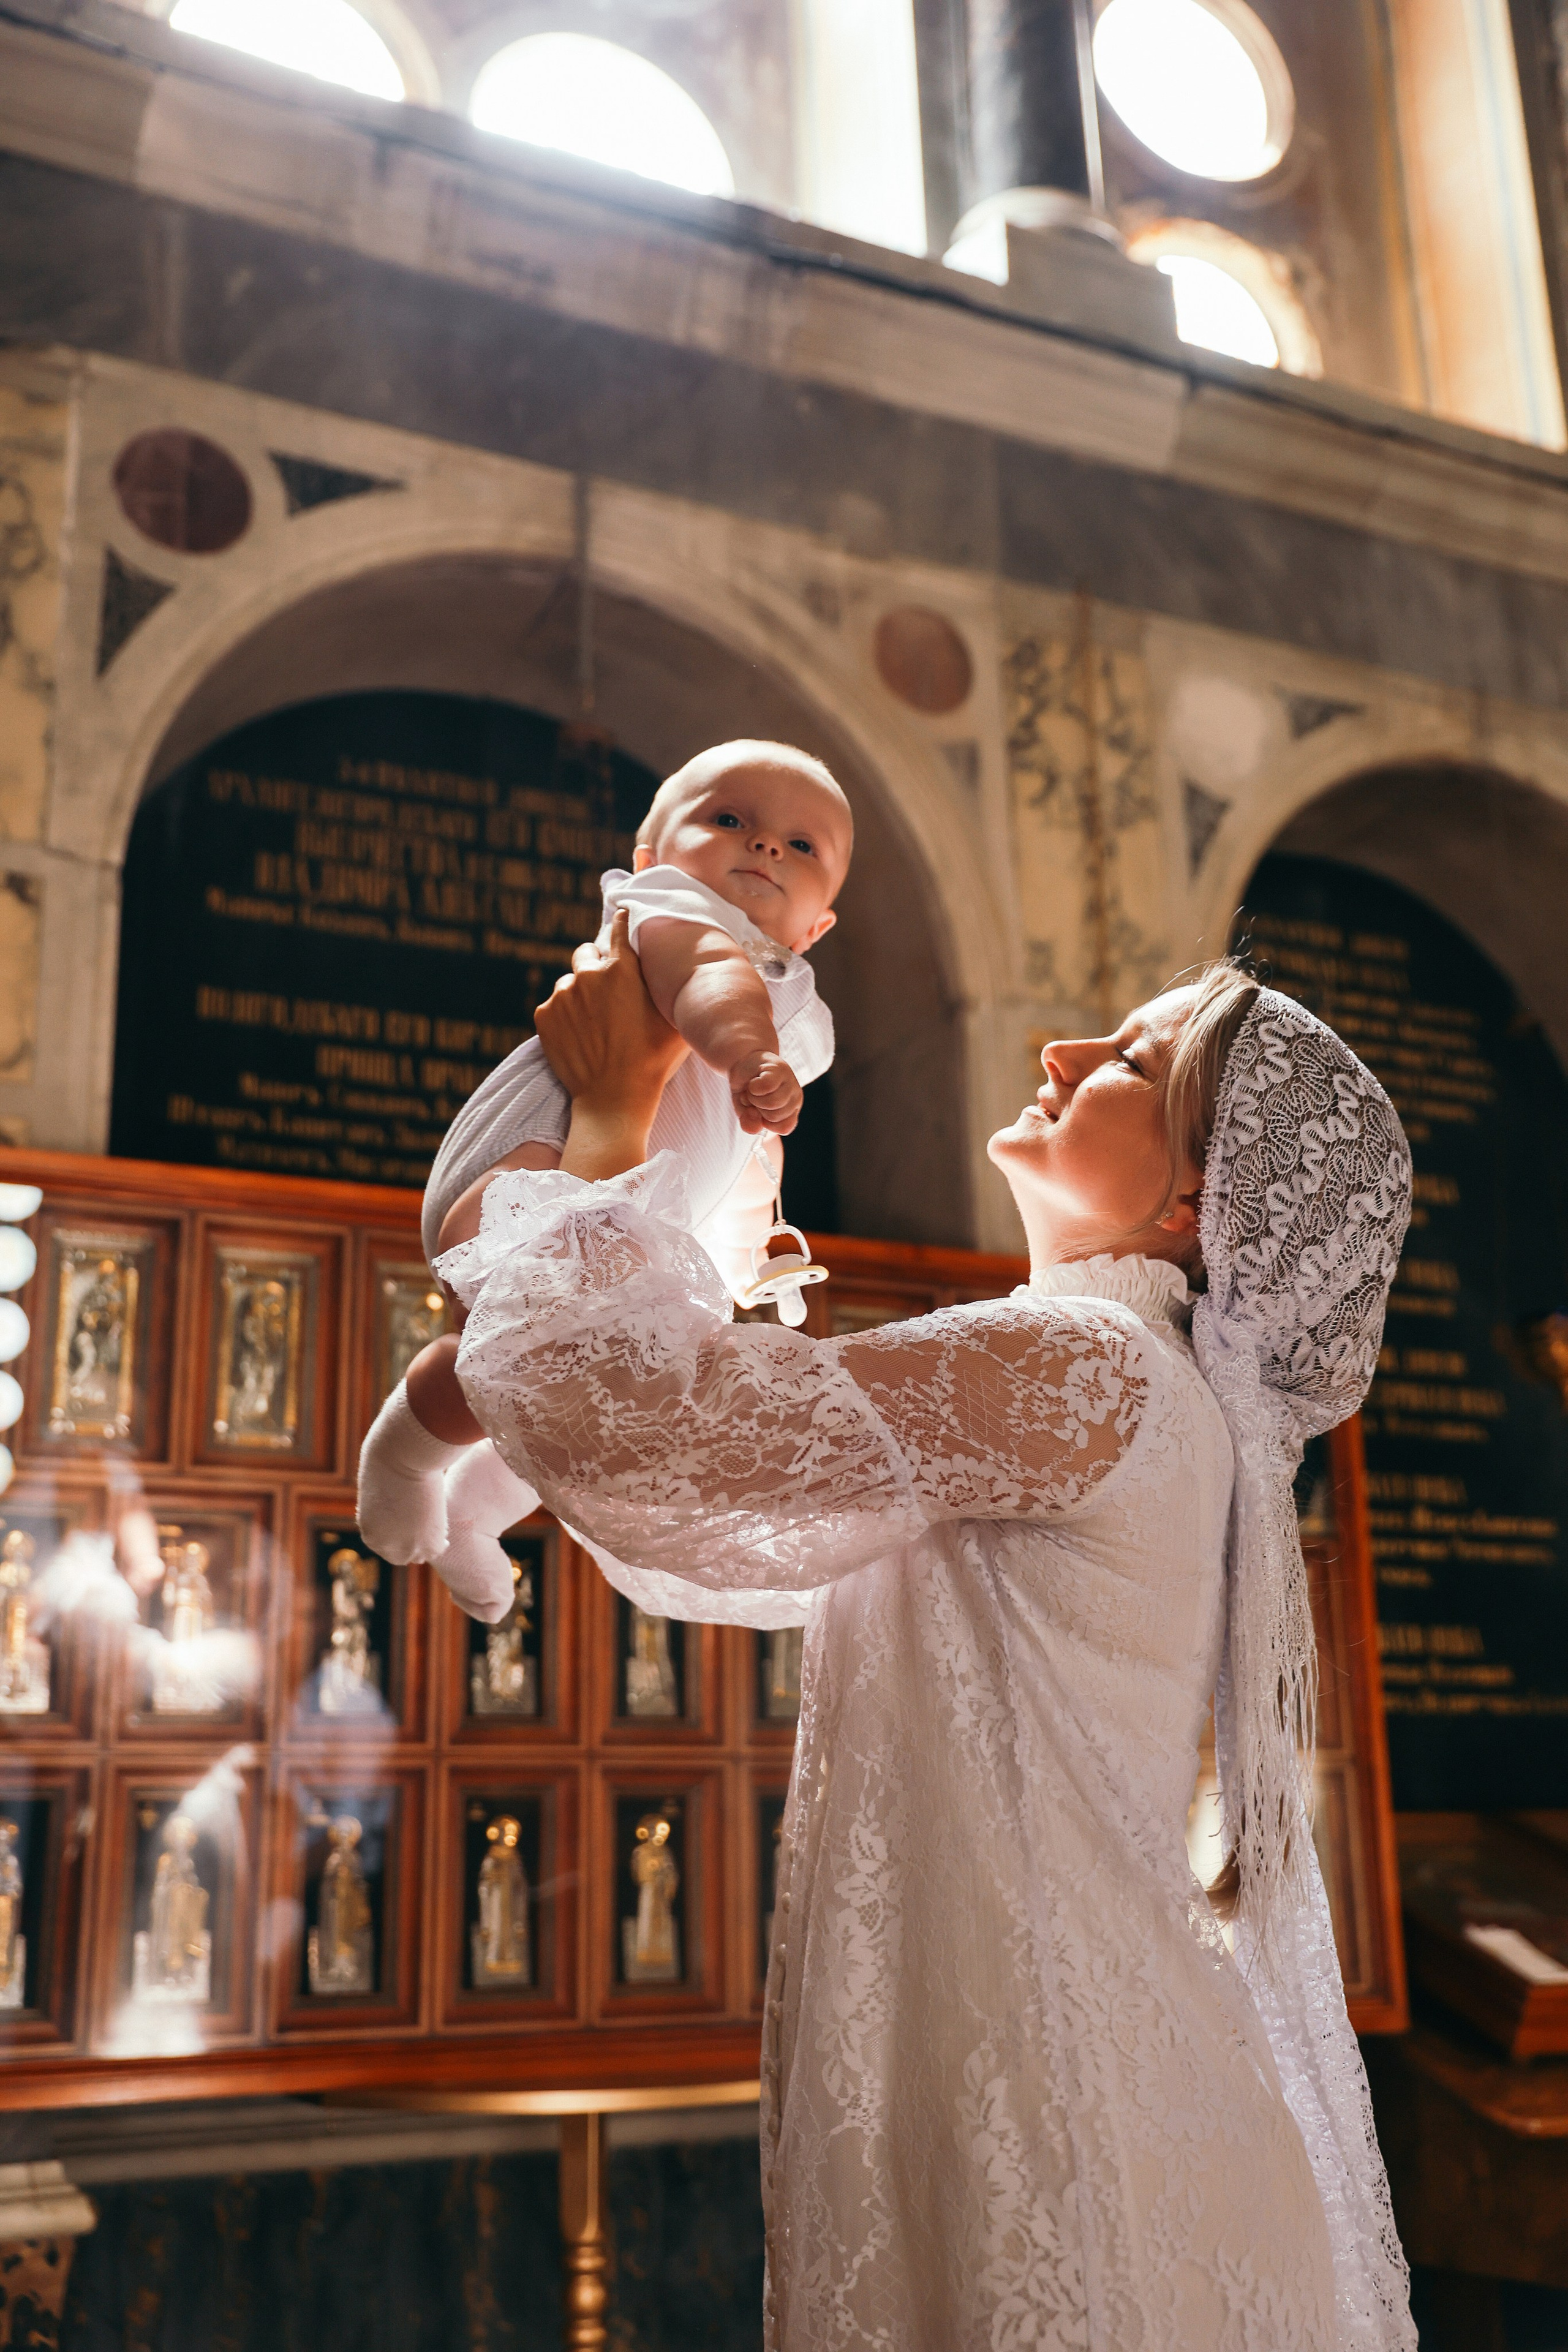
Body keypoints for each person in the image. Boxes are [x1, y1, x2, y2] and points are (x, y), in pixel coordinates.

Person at [426, 926, 1418, 2350]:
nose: (1060, 1054)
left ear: (1193, 1206)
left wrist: (604, 1118)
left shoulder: (1085, 1367)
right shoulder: (1116, 1378)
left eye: (1129, 1060)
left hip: (1067, 2122)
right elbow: (740, 1528)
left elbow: (638, 1431)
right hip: (1087, 2082)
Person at [356, 741, 851, 1619]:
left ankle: (479, 1509)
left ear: (816, 930)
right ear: (653, 859)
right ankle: (404, 1454)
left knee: (587, 1391)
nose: (767, 846)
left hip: (636, 1203)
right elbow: (710, 982)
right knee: (516, 1346)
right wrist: (745, 1051)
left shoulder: (790, 1000)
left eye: (803, 846)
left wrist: (741, 1250)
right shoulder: (674, 915)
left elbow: (742, 1152)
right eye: (730, 819)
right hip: (534, 1160)